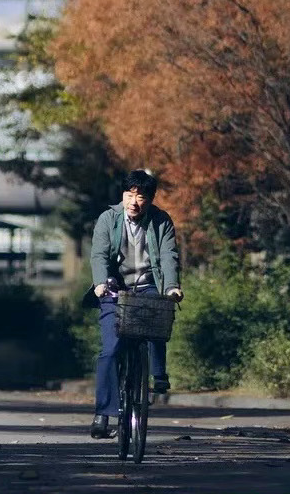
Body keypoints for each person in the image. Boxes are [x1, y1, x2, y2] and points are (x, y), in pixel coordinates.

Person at [84, 169, 183, 439]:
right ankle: (103, 414)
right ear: (123, 196)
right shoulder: (108, 218)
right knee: (110, 351)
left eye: (141, 197)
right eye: (129, 196)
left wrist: (172, 286)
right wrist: (101, 282)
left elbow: (168, 254)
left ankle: (158, 374)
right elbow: (99, 254)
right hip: (114, 287)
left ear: (150, 199)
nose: (134, 202)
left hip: (149, 284)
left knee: (157, 316)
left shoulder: (161, 221)